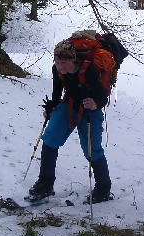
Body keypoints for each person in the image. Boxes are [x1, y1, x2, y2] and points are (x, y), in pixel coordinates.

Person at [27, 39, 112, 203]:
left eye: (64, 63)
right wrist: (51, 107)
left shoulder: (89, 70)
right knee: (50, 137)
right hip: (69, 105)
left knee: (91, 149)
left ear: (73, 60)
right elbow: (57, 92)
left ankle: (103, 188)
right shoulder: (57, 70)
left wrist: (95, 104)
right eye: (57, 62)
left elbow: (102, 96)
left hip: (90, 111)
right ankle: (45, 183)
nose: (60, 66)